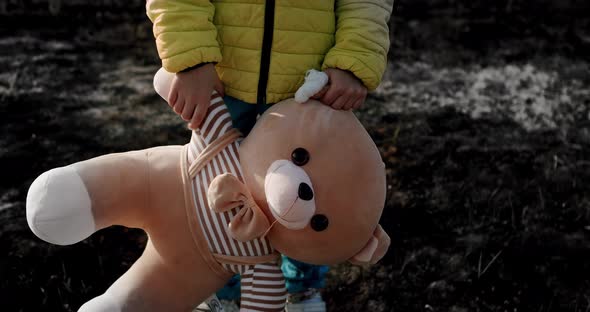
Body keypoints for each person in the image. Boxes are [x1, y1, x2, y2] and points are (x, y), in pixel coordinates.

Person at [146, 1, 394, 311]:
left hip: (309, 87)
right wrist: (191, 59)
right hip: (224, 80)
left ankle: (302, 288)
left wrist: (353, 60)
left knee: (310, 194)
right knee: (222, 193)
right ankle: (221, 288)